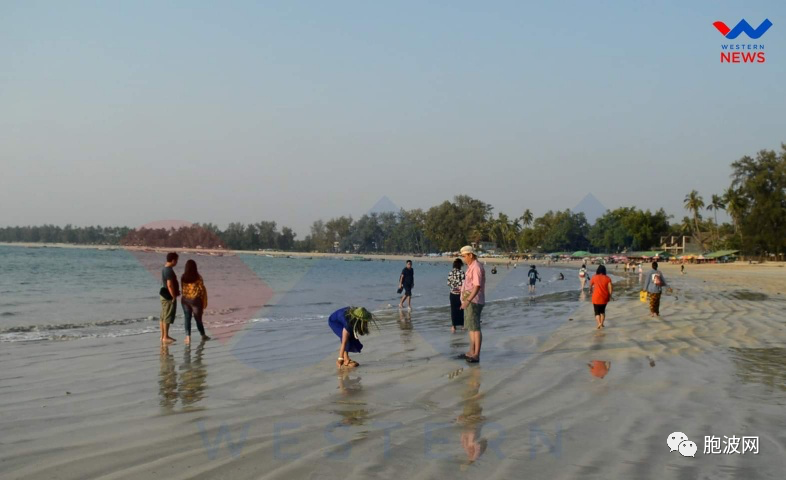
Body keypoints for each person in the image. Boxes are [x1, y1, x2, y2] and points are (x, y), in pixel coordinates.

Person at [459, 246, 485, 363]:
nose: (464, 259)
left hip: (474, 301)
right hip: (469, 300)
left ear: (470, 255)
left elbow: (477, 286)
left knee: (475, 328)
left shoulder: (476, 267)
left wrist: (468, 300)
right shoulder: (471, 267)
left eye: (464, 256)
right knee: (471, 327)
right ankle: (471, 351)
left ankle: (476, 354)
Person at [180, 259, 211, 345]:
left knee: (187, 318)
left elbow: (182, 288)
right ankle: (203, 335)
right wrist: (203, 301)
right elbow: (201, 290)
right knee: (198, 319)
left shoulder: (183, 277)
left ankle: (188, 337)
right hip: (195, 300)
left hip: (185, 300)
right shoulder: (198, 277)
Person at [160, 252, 179, 344]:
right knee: (167, 316)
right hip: (168, 295)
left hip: (163, 294)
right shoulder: (168, 270)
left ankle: (163, 336)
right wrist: (173, 296)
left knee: (163, 316)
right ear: (173, 260)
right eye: (177, 260)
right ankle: (165, 337)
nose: (177, 262)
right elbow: (169, 285)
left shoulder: (165, 268)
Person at [589, 264, 613, 329]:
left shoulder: (594, 277)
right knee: (602, 311)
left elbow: (590, 286)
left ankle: (599, 323)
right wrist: (610, 295)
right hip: (604, 297)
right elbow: (610, 288)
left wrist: (590, 291)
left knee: (597, 312)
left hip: (596, 297)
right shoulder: (607, 278)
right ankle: (602, 324)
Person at [447, 258, 465, 333]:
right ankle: (462, 325)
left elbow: (448, 283)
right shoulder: (462, 272)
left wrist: (453, 287)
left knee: (453, 310)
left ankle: (453, 326)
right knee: (461, 309)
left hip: (452, 293)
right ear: (460, 265)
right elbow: (464, 283)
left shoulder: (450, 272)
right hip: (460, 294)